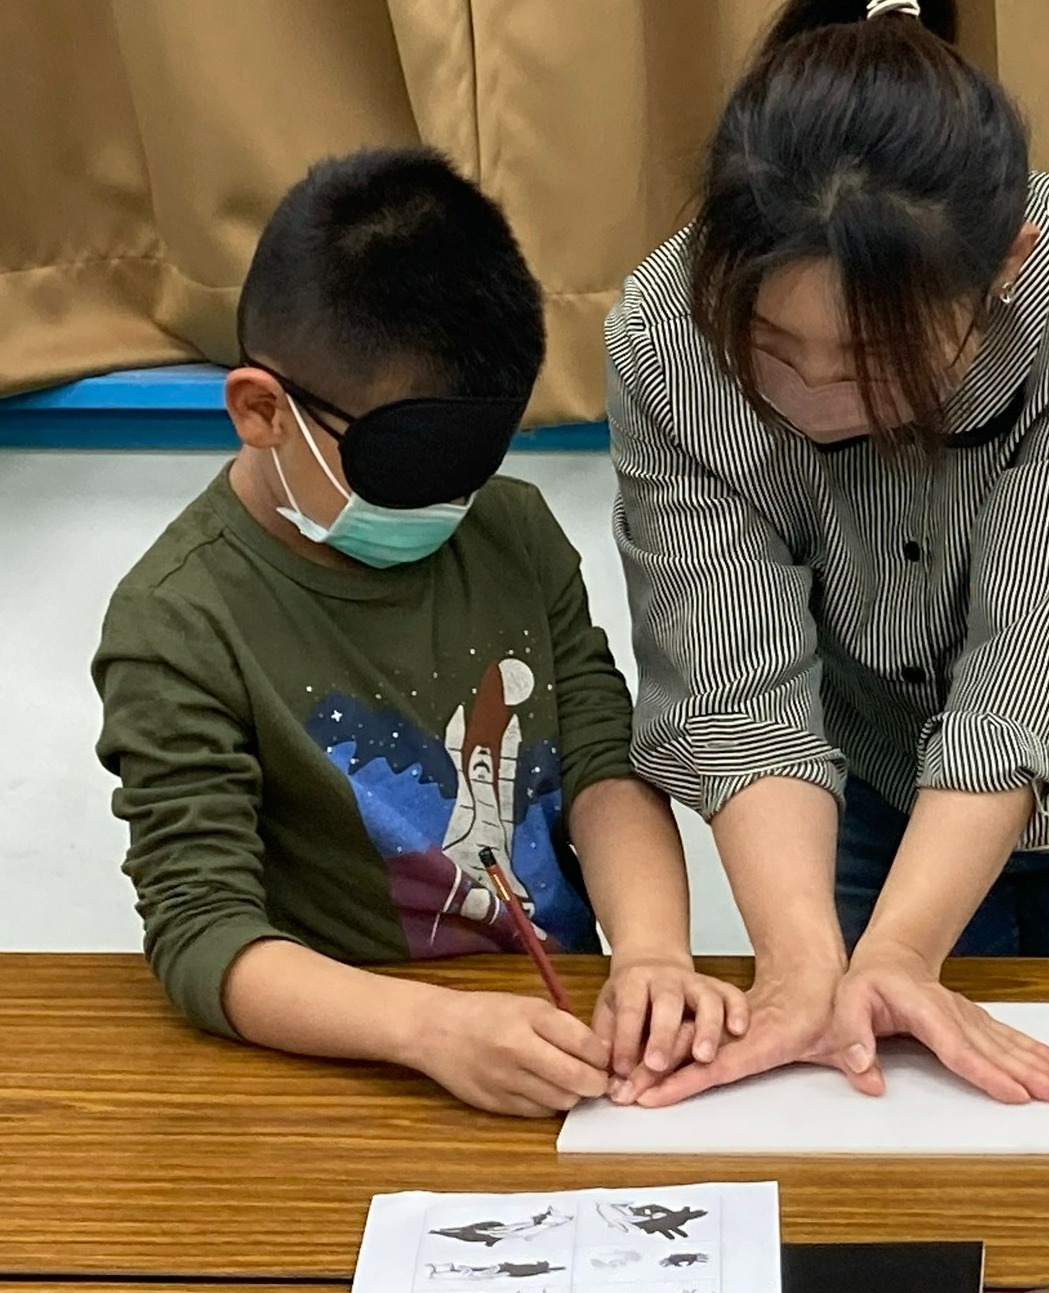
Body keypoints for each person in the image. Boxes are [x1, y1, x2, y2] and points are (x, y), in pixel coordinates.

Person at [606, 0, 1049, 1110]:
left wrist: (904, 951)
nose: (815, 398)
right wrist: (801, 962)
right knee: (873, 1089)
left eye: (875, 356)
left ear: (1006, 262)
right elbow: (736, 687)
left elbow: (1036, 665)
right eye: (770, 347)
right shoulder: (659, 338)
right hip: (863, 756)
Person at [92, 148, 741, 1117]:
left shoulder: (509, 529)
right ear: (263, 411)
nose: (449, 501)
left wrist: (650, 951)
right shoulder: (178, 621)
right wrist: (425, 1030)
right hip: (353, 1062)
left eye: (472, 460)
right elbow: (203, 931)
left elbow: (604, 761)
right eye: (411, 463)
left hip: (556, 1038)